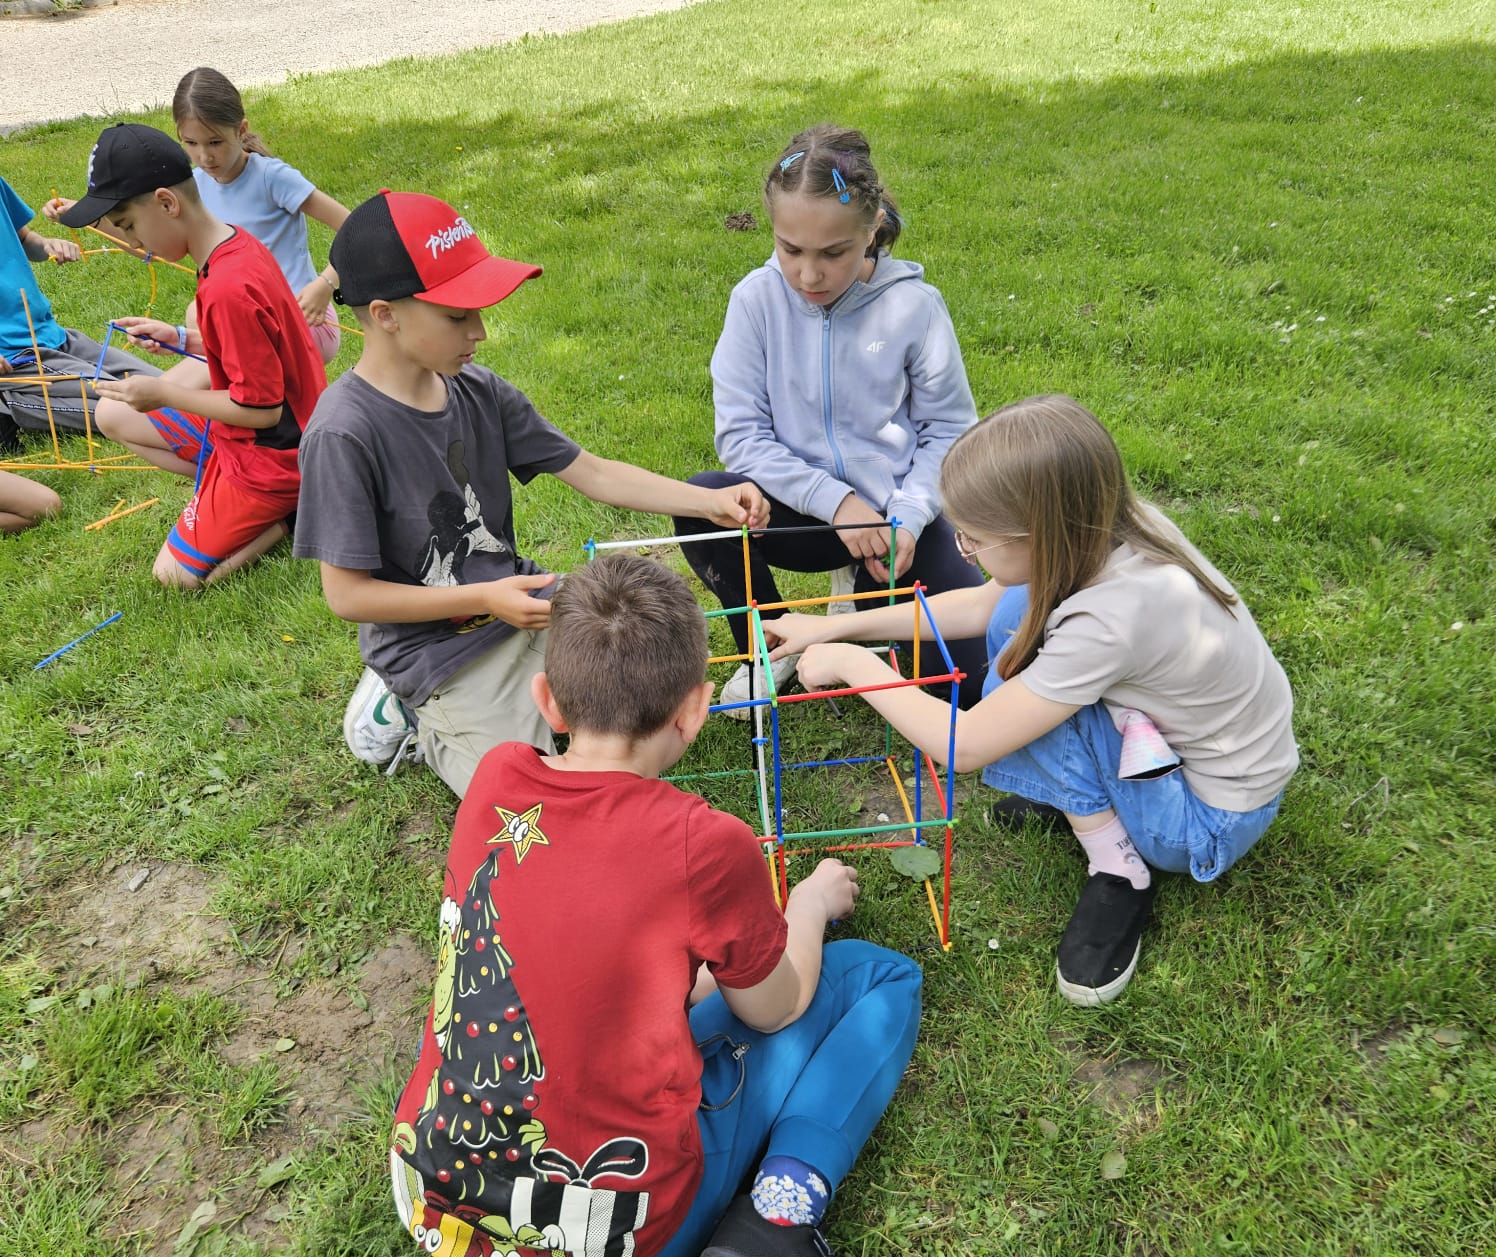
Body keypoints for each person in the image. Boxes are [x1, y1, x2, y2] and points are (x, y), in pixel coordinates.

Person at [388, 551, 928, 1257]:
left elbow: (602, 959)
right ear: (697, 709)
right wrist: (808, 906)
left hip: (437, 1202)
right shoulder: (705, 843)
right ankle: (778, 1220)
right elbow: (775, 1007)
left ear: (546, 700)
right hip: (619, 1239)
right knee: (880, 978)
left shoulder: (494, 780)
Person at [765, 395, 1298, 1005]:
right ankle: (1083, 800)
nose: (963, 550)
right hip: (1218, 766)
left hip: (1202, 823)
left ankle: (1118, 866)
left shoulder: (1108, 621)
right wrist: (833, 627)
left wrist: (852, 665)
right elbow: (980, 605)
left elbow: (966, 743)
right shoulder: (1107, 530)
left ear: (1038, 533)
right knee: (1015, 615)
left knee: (1017, 675)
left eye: (974, 540)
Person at [293, 189, 770, 797]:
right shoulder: (343, 434)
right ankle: (410, 711)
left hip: (528, 606)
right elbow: (347, 595)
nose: (480, 331)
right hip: (437, 651)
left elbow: (593, 473)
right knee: (534, 800)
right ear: (386, 315)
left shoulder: (478, 389)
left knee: (653, 711)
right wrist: (486, 596)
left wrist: (708, 502)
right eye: (457, 316)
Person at [674, 125, 985, 713]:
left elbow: (950, 430)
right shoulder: (755, 302)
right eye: (790, 250)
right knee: (703, 499)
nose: (809, 275)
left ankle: (860, 602)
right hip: (799, 515)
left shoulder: (915, 307)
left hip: (893, 523)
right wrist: (837, 503)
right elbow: (741, 435)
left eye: (833, 253)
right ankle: (769, 644)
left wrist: (908, 518)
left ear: (871, 230)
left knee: (965, 688)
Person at [57, 123, 325, 588]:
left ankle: (292, 515)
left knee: (172, 577)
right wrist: (182, 339)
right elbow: (259, 349)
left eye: (129, 225)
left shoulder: (227, 286)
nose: (133, 243)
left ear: (167, 203)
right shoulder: (233, 244)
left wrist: (163, 394)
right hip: (275, 435)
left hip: (275, 457)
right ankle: (238, 501)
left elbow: (262, 411)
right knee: (112, 415)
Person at [47, 69, 351, 478]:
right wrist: (93, 215)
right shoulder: (196, 187)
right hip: (245, 318)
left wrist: (324, 284)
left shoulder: (271, 178)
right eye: (191, 144)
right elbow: (145, 233)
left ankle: (254, 471)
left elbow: (355, 228)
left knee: (157, 400)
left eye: (215, 142)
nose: (205, 157)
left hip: (303, 318)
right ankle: (233, 472)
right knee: (188, 333)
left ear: (241, 131)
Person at [1, 172, 158, 448]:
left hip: (53, 336)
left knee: (162, 386)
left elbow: (24, 239)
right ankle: (9, 404)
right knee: (127, 405)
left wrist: (47, 245)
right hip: (15, 358)